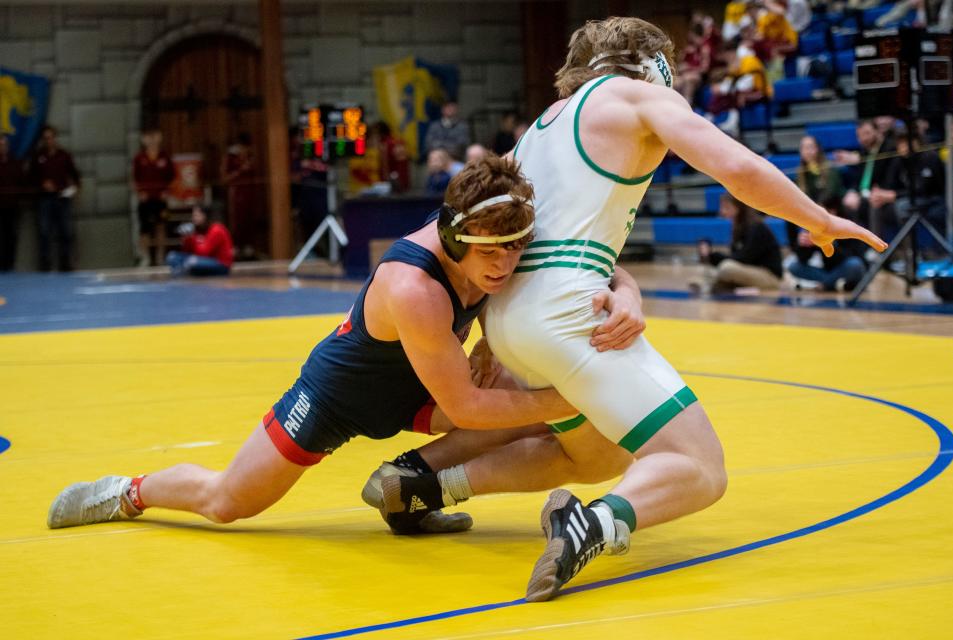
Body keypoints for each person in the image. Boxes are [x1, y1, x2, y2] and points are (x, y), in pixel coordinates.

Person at [371, 16, 886, 602]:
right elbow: (736, 168)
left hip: (513, 312)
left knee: (596, 453)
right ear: (648, 62)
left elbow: (523, 235)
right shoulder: (638, 94)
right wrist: (817, 220)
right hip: (567, 311)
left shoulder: (541, 126)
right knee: (700, 467)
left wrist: (495, 332)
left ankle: (427, 485)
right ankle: (592, 524)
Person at [46, 156, 647, 535]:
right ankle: (127, 493)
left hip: (419, 383)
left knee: (538, 417)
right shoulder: (412, 286)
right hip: (339, 393)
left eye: (514, 252)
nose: (505, 266)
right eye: (490, 255)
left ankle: (410, 493)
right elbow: (466, 409)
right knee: (229, 502)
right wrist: (575, 396)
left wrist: (629, 294)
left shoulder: (502, 235)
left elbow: (592, 264)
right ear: (452, 234)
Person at [696, 194, 783, 293]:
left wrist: (713, 256)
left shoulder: (756, 227)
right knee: (712, 269)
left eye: (726, 207)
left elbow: (743, 258)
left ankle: (713, 285)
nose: (722, 211)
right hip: (751, 270)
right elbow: (736, 257)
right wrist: (708, 256)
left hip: (769, 276)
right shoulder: (738, 227)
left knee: (727, 268)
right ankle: (714, 285)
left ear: (738, 208)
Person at [788, 197, 867, 291]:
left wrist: (824, 243)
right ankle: (829, 282)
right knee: (794, 266)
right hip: (829, 270)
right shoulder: (817, 225)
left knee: (855, 264)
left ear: (833, 211)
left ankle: (826, 283)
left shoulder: (848, 224)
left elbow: (851, 255)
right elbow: (803, 259)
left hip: (846, 266)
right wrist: (802, 245)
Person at [30, 125, 80, 272]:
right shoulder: (38, 156)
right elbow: (30, 177)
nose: (48, 141)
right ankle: (45, 265)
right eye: (45, 138)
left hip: (62, 198)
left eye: (51, 137)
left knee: (65, 231)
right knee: (44, 232)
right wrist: (42, 184)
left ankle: (65, 264)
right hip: (44, 199)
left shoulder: (64, 155)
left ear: (55, 138)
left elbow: (75, 176)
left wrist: (75, 189)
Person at [133, 129, 175, 267]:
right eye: (148, 137)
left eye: (154, 136)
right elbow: (134, 178)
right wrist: (140, 193)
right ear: (143, 139)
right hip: (146, 199)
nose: (151, 140)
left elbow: (173, 177)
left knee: (161, 227)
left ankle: (160, 257)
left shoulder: (165, 157)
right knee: (144, 229)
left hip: (161, 200)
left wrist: (167, 192)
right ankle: (145, 257)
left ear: (159, 137)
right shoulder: (139, 158)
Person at [165, 205, 234, 277]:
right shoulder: (197, 229)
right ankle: (182, 277)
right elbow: (187, 251)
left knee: (191, 262)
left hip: (221, 264)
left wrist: (192, 237)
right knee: (172, 256)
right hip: (201, 260)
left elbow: (203, 253)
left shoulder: (216, 230)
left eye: (197, 216)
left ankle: (185, 276)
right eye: (193, 216)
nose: (194, 219)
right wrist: (186, 238)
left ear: (205, 216)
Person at [0, 135, 25, 271]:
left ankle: (9, 265)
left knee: (11, 236)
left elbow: (22, 182)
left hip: (12, 206)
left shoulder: (15, 163)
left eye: (4, 145)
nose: (2, 147)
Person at [796, 135, 844, 205]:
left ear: (818, 149)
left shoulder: (829, 167)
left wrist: (818, 206)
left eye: (810, 147)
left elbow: (831, 192)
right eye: (804, 148)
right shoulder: (801, 172)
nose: (808, 151)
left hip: (832, 206)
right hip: (813, 209)